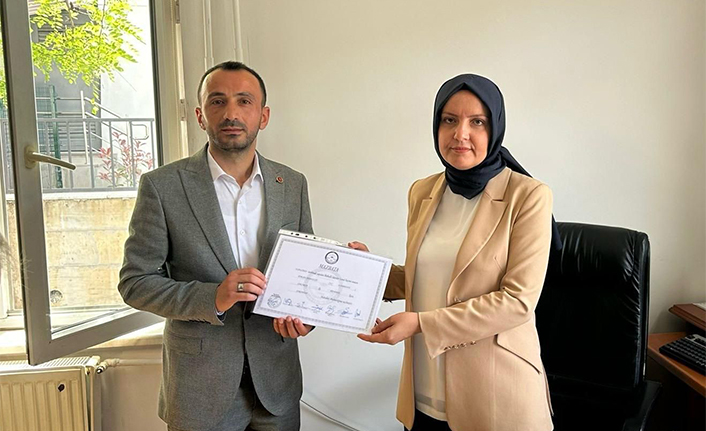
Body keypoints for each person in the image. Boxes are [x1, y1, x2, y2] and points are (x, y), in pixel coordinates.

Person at [353, 74, 561, 431]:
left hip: (495, 397)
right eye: (449, 120)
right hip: (423, 389)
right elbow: (426, 277)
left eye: (477, 122)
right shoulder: (422, 191)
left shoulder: (528, 196)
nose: (460, 134)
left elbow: (517, 301)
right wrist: (366, 271)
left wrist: (421, 323)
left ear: (495, 128)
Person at [118, 61, 313, 431]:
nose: (231, 113)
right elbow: (135, 283)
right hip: (199, 389)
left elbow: (304, 275)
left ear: (263, 116)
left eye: (244, 101)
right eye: (218, 101)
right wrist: (214, 298)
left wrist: (306, 319)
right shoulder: (162, 187)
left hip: (277, 384)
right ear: (200, 115)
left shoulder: (292, 184)